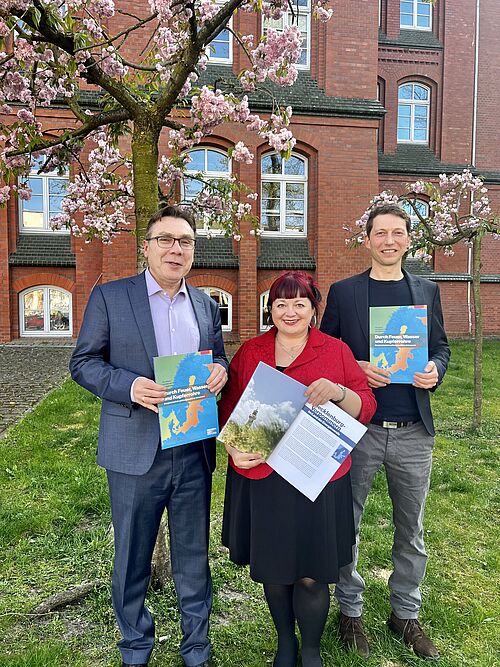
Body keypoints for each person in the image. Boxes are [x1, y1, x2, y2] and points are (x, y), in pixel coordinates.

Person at [70, 205, 228, 667]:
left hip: (192, 446)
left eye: (185, 241)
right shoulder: (111, 298)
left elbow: (217, 355)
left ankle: (196, 647)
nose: (176, 249)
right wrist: (131, 386)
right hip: (136, 451)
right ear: (147, 246)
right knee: (132, 557)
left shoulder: (204, 304)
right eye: (166, 240)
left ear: (194, 251)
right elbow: (83, 363)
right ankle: (136, 646)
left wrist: (220, 369)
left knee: (193, 557)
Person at [218, 271, 376, 667]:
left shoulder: (335, 351)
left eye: (299, 304)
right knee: (276, 570)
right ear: (269, 309)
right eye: (281, 304)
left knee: (311, 573)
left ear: (313, 310)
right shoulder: (251, 352)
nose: (290, 312)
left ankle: (310, 648)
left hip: (317, 479)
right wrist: (233, 450)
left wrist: (340, 393)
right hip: (265, 478)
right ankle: (285, 643)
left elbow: (367, 404)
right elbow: (228, 409)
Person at [320, 202, 450, 660]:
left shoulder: (427, 291)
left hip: (413, 428)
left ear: (408, 239)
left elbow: (441, 348)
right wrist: (354, 366)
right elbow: (325, 352)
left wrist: (434, 368)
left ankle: (405, 613)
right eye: (381, 233)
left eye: (398, 233)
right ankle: (350, 610)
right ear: (368, 238)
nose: (389, 240)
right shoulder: (345, 292)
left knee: (410, 528)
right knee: (346, 524)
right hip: (358, 427)